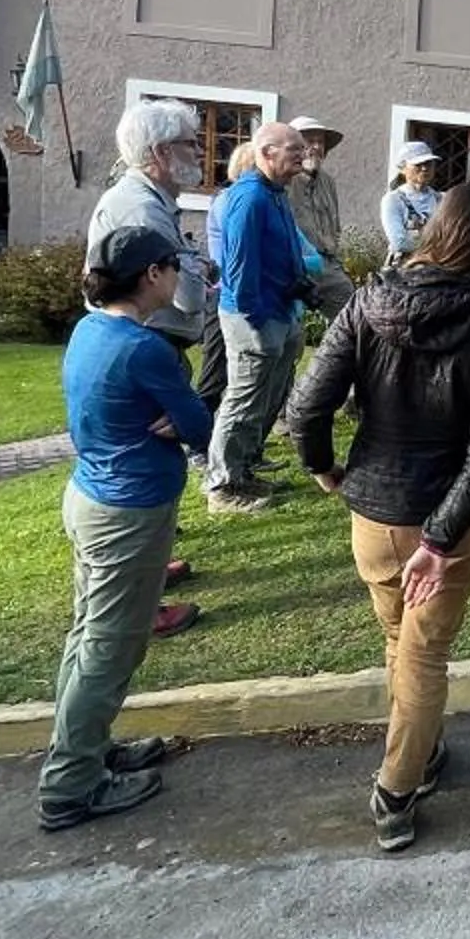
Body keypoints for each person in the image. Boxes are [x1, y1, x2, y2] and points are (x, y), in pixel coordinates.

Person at [285, 184, 470, 852]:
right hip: (449, 522)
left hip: (380, 514)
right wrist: (441, 540)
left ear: (435, 232)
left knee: (403, 641)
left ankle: (422, 750)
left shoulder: (368, 302)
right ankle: (396, 789)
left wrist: (323, 467)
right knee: (422, 654)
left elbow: (306, 407)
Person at [38, 223, 211, 831]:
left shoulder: (90, 330)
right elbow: (199, 426)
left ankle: (85, 749)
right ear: (152, 275)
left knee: (89, 635)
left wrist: (175, 415)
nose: (179, 275)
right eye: (173, 266)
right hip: (127, 514)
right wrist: (181, 416)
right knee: (110, 648)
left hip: (91, 498)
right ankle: (70, 785)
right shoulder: (145, 350)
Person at [83, 99, 213, 627]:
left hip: (142, 345)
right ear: (160, 152)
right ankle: (143, 602)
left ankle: (152, 568)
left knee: (153, 463)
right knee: (143, 469)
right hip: (145, 349)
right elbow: (186, 295)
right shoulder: (142, 208)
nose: (198, 153)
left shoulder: (149, 198)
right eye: (189, 143)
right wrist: (196, 270)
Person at [203, 121, 310, 512]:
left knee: (265, 398)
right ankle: (222, 486)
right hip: (254, 317)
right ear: (267, 153)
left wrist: (298, 286)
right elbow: (237, 269)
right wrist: (256, 317)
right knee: (243, 401)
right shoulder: (249, 198)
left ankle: (244, 470)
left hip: (278, 310)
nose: (303, 156)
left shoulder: (275, 194)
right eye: (294, 149)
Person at [284, 115, 356, 314]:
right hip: (294, 262)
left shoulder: (327, 182)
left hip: (327, 264)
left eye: (320, 142)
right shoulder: (285, 179)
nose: (316, 147)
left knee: (349, 308)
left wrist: (336, 259)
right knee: (291, 318)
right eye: (309, 141)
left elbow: (335, 225)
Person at [381, 142, 441, 255]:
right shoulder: (393, 200)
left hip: (437, 262)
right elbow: (399, 242)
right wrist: (438, 244)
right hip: (405, 263)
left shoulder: (441, 199)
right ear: (402, 168)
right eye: (418, 164)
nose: (424, 168)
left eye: (428, 163)